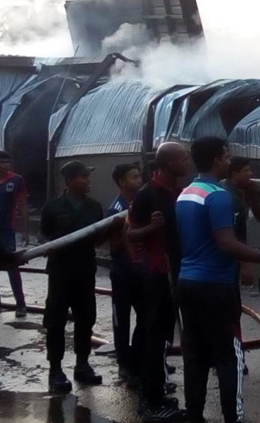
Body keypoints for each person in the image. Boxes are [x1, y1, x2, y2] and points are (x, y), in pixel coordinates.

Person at [176, 137, 260, 423]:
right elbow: (226, 243)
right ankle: (233, 417)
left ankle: (194, 415)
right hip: (215, 285)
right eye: (226, 156)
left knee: (195, 354)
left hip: (187, 282)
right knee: (229, 355)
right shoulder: (218, 196)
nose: (229, 161)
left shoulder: (186, 193)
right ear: (216, 159)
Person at [127, 142, 189, 421]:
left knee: (164, 336)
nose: (187, 162)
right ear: (170, 163)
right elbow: (130, 234)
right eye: (183, 158)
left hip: (175, 270)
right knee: (154, 337)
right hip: (155, 273)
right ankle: (149, 402)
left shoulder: (178, 191)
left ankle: (156, 392)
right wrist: (151, 228)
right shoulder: (147, 195)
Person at [41, 161, 108, 394]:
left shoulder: (94, 207)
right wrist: (49, 245)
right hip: (60, 273)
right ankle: (55, 370)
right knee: (56, 321)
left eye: (88, 176)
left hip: (85, 271)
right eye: (83, 176)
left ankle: (82, 364)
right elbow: (44, 236)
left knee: (86, 318)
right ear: (69, 181)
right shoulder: (52, 207)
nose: (88, 180)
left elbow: (98, 239)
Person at [220, 157, 260, 371]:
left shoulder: (235, 193)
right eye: (246, 170)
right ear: (234, 173)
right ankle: (232, 359)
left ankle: (224, 357)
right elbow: (238, 237)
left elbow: (259, 215)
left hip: (223, 266)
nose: (250, 174)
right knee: (230, 313)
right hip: (227, 266)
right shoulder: (230, 198)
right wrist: (246, 266)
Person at [107, 163, 144, 385]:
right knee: (122, 319)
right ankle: (124, 364)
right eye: (134, 177)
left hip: (142, 269)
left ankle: (141, 359)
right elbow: (114, 244)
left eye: (139, 176)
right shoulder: (116, 209)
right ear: (122, 181)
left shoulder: (140, 202)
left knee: (146, 316)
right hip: (123, 271)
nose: (139, 180)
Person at [0, 151, 29, 317]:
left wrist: (24, 231)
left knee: (12, 266)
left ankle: (21, 304)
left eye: (8, 162)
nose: (6, 165)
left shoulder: (17, 180)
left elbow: (23, 205)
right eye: (3, 162)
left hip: (7, 231)